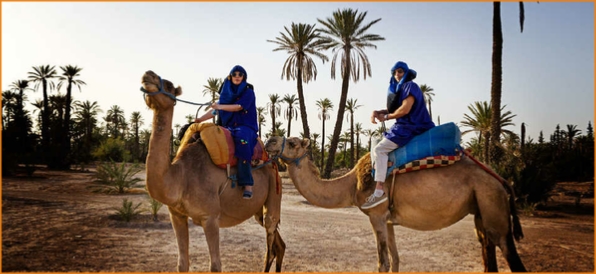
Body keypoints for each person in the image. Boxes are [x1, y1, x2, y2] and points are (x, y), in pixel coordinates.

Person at [361, 61, 435, 209]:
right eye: (394, 72)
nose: (397, 75)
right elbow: (394, 109)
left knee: (379, 150)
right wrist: (377, 113)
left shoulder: (410, 86)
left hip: (410, 127)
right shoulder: (400, 90)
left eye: (400, 72)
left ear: (406, 73)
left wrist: (386, 118)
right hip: (403, 126)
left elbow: (405, 110)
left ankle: (379, 191)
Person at [195, 65, 258, 199]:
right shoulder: (225, 96)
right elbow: (214, 111)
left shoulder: (248, 93)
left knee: (242, 141)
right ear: (230, 77)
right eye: (234, 74)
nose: (237, 76)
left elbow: (238, 107)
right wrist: (200, 119)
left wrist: (219, 106)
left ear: (243, 77)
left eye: (240, 74)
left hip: (245, 127)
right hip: (228, 127)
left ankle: (247, 183)